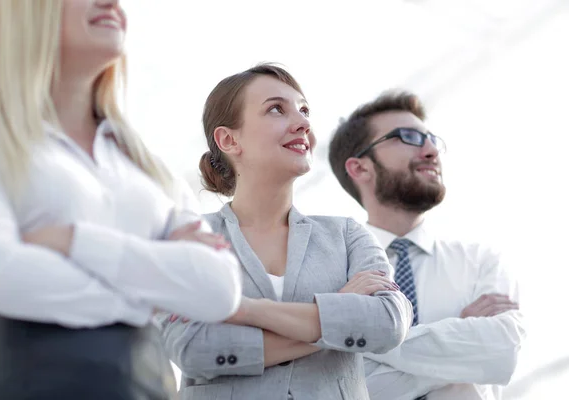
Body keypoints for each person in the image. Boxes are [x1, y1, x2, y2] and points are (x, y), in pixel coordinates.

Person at [0, 1, 242, 399]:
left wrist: (73, 241)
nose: (111, 3)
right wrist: (152, 292)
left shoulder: (147, 166)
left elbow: (218, 290)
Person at [158, 64, 413, 400]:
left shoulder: (347, 235)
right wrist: (339, 309)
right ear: (229, 140)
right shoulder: (188, 236)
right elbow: (193, 349)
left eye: (304, 110)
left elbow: (388, 322)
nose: (303, 123)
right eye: (276, 109)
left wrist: (246, 311)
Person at [328, 90, 526, 400]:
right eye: (408, 137)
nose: (432, 150)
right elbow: (328, 384)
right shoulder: (328, 272)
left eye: (432, 139)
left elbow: (501, 353)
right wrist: (458, 337)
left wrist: (365, 340)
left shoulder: (481, 262)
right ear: (360, 168)